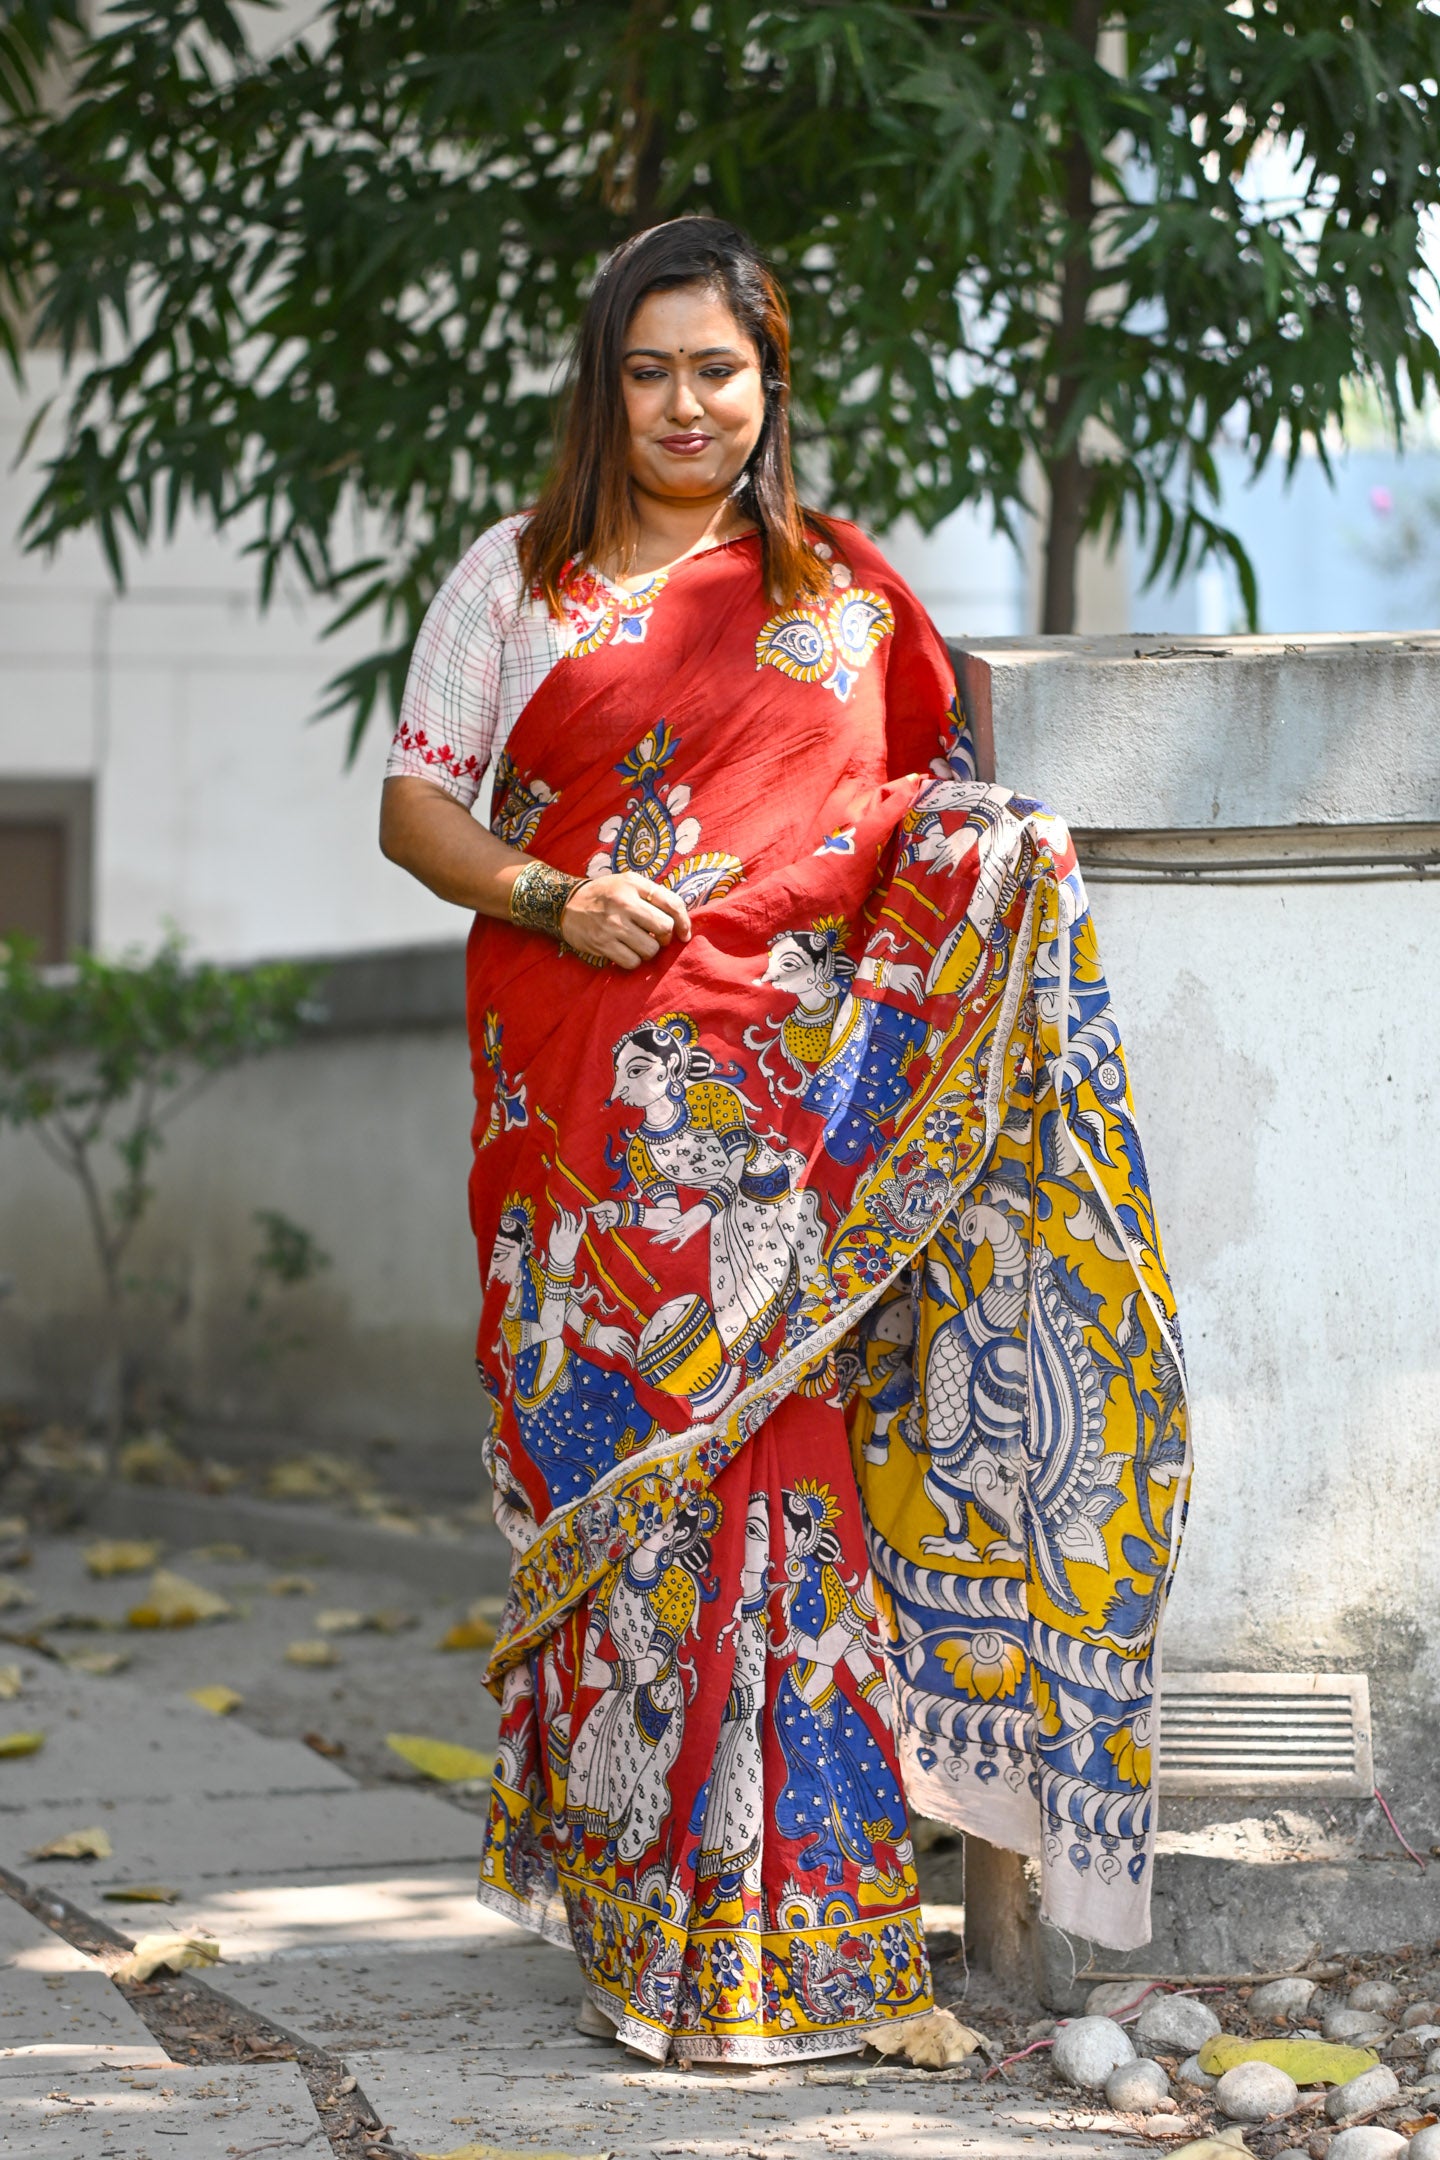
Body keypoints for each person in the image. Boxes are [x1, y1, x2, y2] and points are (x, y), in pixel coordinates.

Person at [380, 217, 1190, 2066]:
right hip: (580, 1113)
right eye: (650, 371)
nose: (686, 406)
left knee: (773, 1480)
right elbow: (416, 808)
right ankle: (640, 1923)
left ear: (770, 385)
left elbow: (911, 812)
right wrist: (556, 892)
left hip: (785, 1126)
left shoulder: (843, 592)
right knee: (618, 1479)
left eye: (718, 371)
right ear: (605, 386)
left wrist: (1004, 857)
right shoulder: (515, 579)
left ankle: (798, 1938)